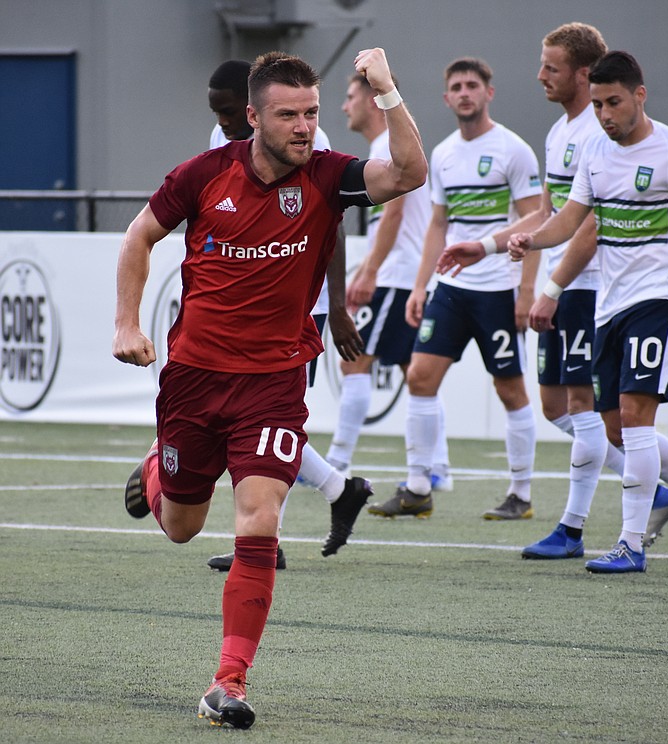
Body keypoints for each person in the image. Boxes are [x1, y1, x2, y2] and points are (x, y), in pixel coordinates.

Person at [113, 47, 427, 728]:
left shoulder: (326, 175)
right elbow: (139, 237)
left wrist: (389, 91)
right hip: (194, 380)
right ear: (253, 117)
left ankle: (227, 683)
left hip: (275, 383)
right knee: (181, 528)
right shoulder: (202, 176)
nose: (305, 126)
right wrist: (126, 323)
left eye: (312, 113)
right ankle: (157, 469)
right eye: (289, 115)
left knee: (259, 521)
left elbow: (409, 171)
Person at [438, 50, 668, 573]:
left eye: (614, 102)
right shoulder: (594, 151)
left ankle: (630, 545)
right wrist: (510, 243)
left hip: (659, 299)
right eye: (598, 105)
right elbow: (568, 221)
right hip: (607, 306)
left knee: (634, 419)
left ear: (640, 95)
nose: (606, 114)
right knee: (613, 429)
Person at [442, 24, 668, 559]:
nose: (540, 75)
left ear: (582, 73)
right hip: (566, 284)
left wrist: (549, 285)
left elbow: (592, 222)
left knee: (587, 407)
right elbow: (549, 215)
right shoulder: (558, 133)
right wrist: (486, 245)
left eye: (550, 67)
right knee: (557, 408)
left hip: (592, 285)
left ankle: (572, 529)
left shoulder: (602, 131)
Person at [204, 59, 369, 572]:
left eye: (229, 113)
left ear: (251, 111)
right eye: (220, 115)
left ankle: (267, 535)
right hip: (248, 305)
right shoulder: (222, 137)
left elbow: (333, 223)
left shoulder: (305, 143)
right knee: (253, 423)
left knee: (263, 423)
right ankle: (339, 490)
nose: (224, 124)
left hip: (300, 306)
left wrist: (336, 305)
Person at [367, 57, 542, 521]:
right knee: (420, 376)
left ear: (489, 92)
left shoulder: (513, 150)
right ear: (447, 98)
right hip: (451, 288)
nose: (464, 93)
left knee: (509, 390)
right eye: (456, 87)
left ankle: (521, 494)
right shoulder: (441, 154)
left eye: (472, 85)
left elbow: (536, 220)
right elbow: (438, 226)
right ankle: (418, 488)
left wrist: (526, 291)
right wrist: (420, 286)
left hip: (498, 289)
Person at [323, 72, 452, 489]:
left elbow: (393, 214)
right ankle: (439, 468)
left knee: (354, 360)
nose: (344, 106)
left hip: (396, 275)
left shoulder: (385, 148)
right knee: (416, 371)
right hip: (403, 273)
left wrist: (370, 271)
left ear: (369, 100)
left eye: (348, 97)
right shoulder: (389, 146)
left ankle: (337, 461)